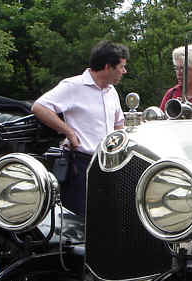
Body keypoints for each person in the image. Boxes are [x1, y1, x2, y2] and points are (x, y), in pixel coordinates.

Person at [31, 40, 129, 215]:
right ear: (108, 67)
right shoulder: (73, 86)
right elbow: (39, 107)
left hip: (107, 165)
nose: (124, 71)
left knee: (106, 219)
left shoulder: (111, 91)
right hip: (80, 165)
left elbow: (118, 125)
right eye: (121, 67)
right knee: (79, 221)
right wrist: (68, 131)